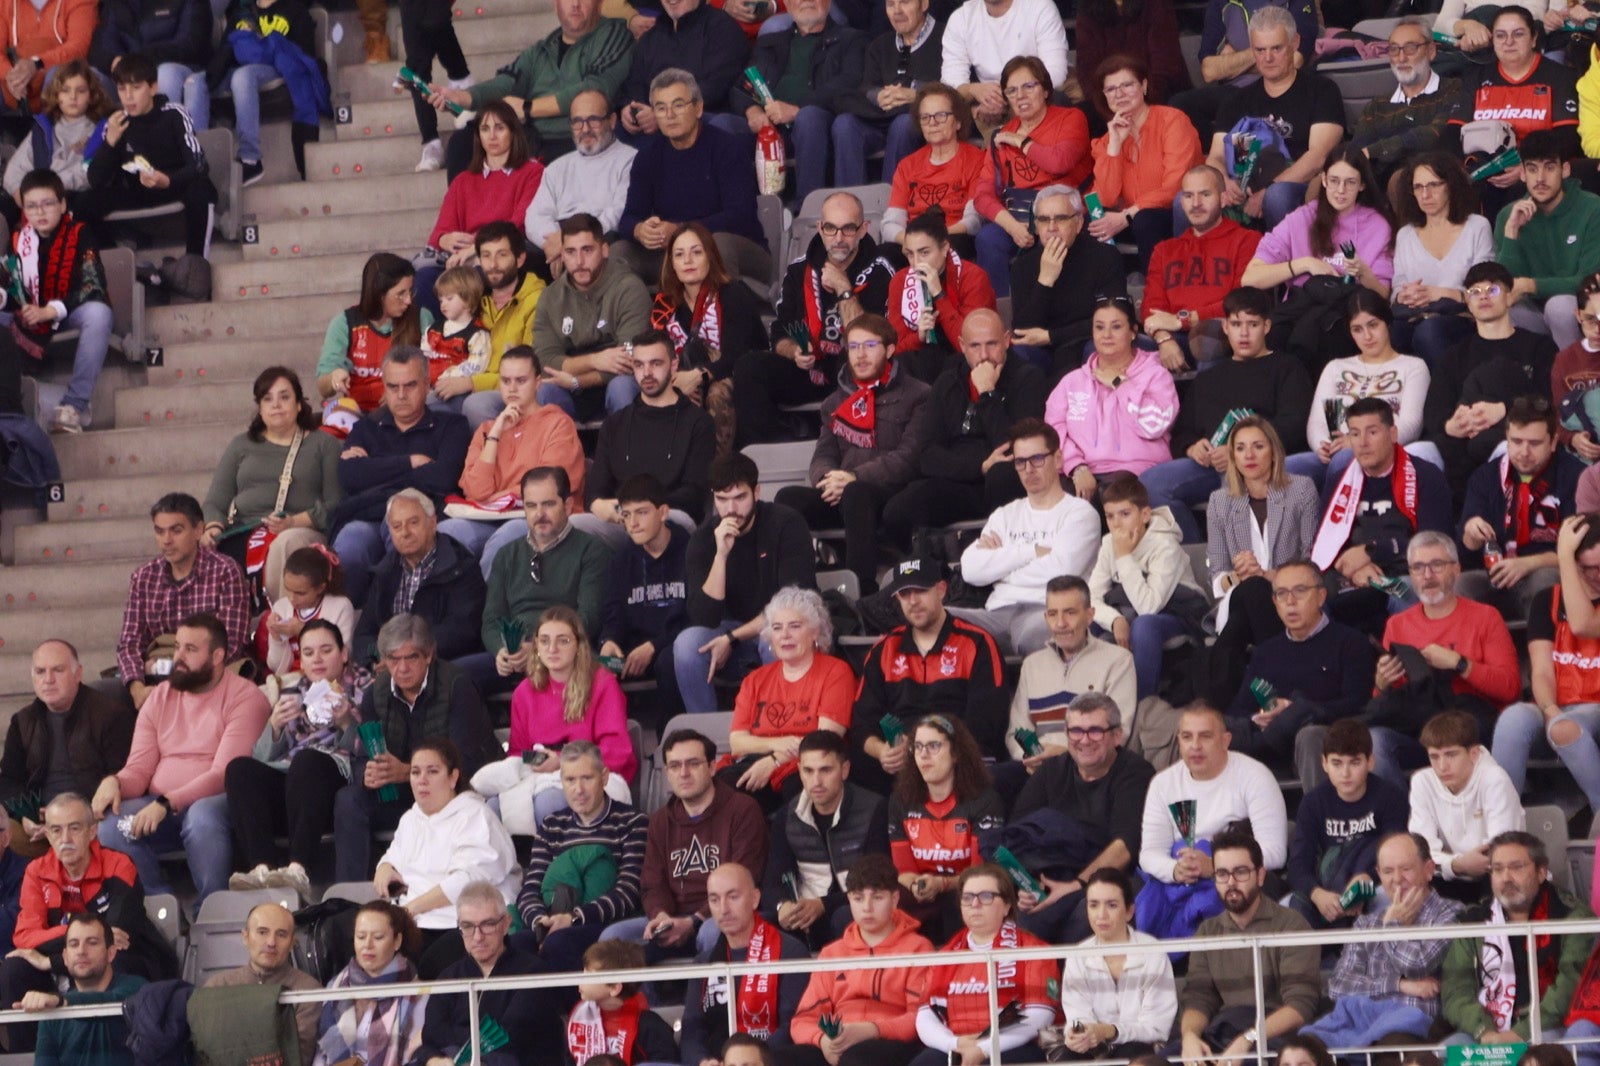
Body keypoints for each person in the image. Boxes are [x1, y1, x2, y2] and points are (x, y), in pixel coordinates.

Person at [92, 614, 269, 905]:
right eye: (177, 647)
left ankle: (213, 907)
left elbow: (224, 774)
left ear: (217, 656)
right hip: (163, 808)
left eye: (190, 649)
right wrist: (115, 783)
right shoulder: (160, 696)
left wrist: (166, 802)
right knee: (111, 824)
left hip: (219, 801)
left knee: (202, 817)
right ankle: (160, 906)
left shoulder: (245, 698)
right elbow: (139, 769)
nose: (178, 657)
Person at [0, 792, 174, 1050]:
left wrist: (50, 959)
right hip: (73, 964)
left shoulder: (119, 864)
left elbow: (109, 942)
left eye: (74, 828)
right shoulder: (36, 872)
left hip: (129, 960)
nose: (65, 839)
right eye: (56, 831)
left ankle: (121, 1053)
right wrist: (78, 941)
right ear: (46, 835)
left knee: (113, 959)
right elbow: (25, 937)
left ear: (92, 831)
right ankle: (29, 1056)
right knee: (14, 968)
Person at [333, 614, 500, 883]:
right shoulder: (376, 694)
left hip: (455, 793)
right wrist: (369, 772)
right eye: (393, 659)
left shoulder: (458, 685)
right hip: (402, 793)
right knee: (349, 799)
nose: (401, 669)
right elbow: (362, 756)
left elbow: (468, 760)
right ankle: (350, 897)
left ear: (429, 655)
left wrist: (409, 772)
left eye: (410, 658)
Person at [1142, 286, 1312, 542]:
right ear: (1225, 328)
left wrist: (1238, 451)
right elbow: (1182, 433)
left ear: (1266, 326)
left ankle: (1239, 567)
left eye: (1252, 324)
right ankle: (1198, 555)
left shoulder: (1288, 368)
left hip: (1262, 465)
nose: (1243, 333)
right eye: (1236, 324)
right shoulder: (1208, 379)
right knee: (1151, 483)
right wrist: (1192, 447)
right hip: (1211, 465)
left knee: (1231, 487)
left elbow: (1294, 426)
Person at [776, 315, 931, 590]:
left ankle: (864, 590)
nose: (860, 355)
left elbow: (908, 459)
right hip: (843, 493)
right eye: (853, 347)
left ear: (890, 349)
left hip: (891, 495)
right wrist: (828, 479)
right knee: (787, 498)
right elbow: (822, 456)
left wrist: (852, 477)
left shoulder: (918, 394)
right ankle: (799, 591)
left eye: (870, 345)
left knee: (857, 492)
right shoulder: (834, 402)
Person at [732, 192, 899, 446]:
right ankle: (770, 449)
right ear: (820, 228)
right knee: (749, 367)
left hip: (855, 369)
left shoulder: (880, 270)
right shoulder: (800, 270)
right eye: (831, 228)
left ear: (864, 230)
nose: (839, 238)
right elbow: (779, 333)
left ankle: (843, 442)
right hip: (810, 370)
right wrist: (794, 351)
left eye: (848, 229)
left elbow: (873, 340)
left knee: (853, 357)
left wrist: (844, 289)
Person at [225, 619, 369, 897]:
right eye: (308, 652)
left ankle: (298, 868)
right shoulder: (293, 691)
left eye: (326, 650)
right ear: (300, 660)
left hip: (335, 777)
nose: (317, 659)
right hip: (294, 782)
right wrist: (275, 726)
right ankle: (262, 869)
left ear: (344, 654)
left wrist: (345, 722)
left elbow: (370, 747)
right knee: (239, 769)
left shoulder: (365, 684)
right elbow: (263, 756)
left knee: (308, 761)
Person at [598, 729, 767, 962]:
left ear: (712, 767)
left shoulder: (742, 810)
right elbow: (652, 883)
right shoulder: (660, 820)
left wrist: (695, 919)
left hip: (720, 916)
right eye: (675, 766)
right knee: (612, 938)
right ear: (667, 772)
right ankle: (646, 1001)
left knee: (713, 932)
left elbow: (745, 877)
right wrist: (661, 916)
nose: (684, 773)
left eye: (693, 764)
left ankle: (715, 998)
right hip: (674, 918)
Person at [880, 309, 1044, 545]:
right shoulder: (947, 381)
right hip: (959, 482)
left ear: (1007, 341)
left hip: (1005, 484)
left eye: (992, 344)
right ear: (962, 346)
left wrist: (987, 393)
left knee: (1003, 474)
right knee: (898, 510)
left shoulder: (1027, 378)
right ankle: (933, 574)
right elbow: (926, 455)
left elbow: (1016, 449)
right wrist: (980, 466)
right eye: (975, 346)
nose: (984, 355)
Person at [1369, 537, 1521, 783]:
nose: (1427, 575)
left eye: (1437, 565)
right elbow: (1386, 705)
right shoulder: (1397, 624)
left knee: (1452, 733)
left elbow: (1510, 689)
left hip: (1471, 729)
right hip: (1420, 728)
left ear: (1456, 569)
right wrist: (1381, 683)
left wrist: (1459, 663)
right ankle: (1402, 820)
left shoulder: (1485, 617)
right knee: (1375, 742)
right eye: (1418, 568)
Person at [328, 347, 471, 605]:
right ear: (383, 387)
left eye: (410, 385)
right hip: (367, 517)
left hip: (423, 518)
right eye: (393, 387)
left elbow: (443, 477)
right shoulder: (366, 428)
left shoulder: (452, 426)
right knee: (350, 545)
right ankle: (359, 626)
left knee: (402, 524)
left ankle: (403, 617)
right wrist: (410, 462)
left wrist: (374, 469)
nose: (401, 395)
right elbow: (349, 476)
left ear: (427, 385)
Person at [852, 557, 1009, 792]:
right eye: (905, 595)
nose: (913, 601)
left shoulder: (977, 643)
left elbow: (987, 724)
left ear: (941, 590)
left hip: (959, 757)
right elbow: (863, 721)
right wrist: (882, 751)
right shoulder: (884, 649)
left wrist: (928, 750)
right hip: (900, 764)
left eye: (921, 591)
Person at [675, 454, 816, 711]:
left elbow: (792, 606)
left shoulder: (786, 523)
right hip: (728, 631)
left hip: (777, 626)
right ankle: (706, 737)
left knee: (776, 638)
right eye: (722, 499)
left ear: (757, 492)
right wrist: (721, 555)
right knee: (686, 645)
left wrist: (732, 638)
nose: (731, 509)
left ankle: (783, 721)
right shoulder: (704, 538)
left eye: (740, 498)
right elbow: (704, 617)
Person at [369, 738, 520, 978]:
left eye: (433, 771)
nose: (422, 780)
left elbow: (466, 882)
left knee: (426, 964)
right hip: (415, 923)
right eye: (416, 772)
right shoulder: (411, 819)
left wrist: (409, 911)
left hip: (463, 927)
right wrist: (384, 867)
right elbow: (393, 855)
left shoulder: (475, 815)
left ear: (453, 777)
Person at [950, 419, 1102, 657]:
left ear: (1058, 459)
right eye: (1020, 462)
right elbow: (970, 569)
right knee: (935, 622)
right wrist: (1031, 552)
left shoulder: (1080, 514)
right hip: (995, 612)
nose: (1029, 470)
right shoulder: (1005, 514)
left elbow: (1061, 573)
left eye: (1037, 459)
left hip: (1047, 612)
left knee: (1034, 636)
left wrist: (999, 566)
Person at [1010, 692, 1154, 943]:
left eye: (1095, 731)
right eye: (1076, 731)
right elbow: (1017, 835)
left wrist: (1076, 885)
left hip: (1111, 879)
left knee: (1086, 917)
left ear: (1116, 735)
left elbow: (1125, 845)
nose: (1084, 740)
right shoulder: (1051, 771)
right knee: (1026, 923)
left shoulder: (1136, 772)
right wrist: (1028, 884)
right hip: (1053, 877)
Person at [1135, 704, 1288, 941]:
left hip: (1232, 880)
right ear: (1179, 741)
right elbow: (1149, 853)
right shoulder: (1163, 783)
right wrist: (1176, 870)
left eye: (1205, 736)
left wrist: (1217, 868)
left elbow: (1275, 853)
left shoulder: (1255, 776)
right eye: (1187, 737)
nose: (1195, 746)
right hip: (1181, 881)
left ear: (1226, 740)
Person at [1439, 832, 1598, 1056]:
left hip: (1547, 1028)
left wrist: (1519, 1034)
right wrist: (1484, 1030)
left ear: (1541, 872)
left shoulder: (1571, 917)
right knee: (1444, 1053)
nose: (1506, 877)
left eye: (1516, 867)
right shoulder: (1474, 920)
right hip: (1485, 1032)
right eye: (1497, 869)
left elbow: (1570, 986)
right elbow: (1455, 990)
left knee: (1543, 1056)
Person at [1301, 831, 1464, 1048]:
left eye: (1406, 869)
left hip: (1415, 1023)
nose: (1397, 879)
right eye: (1388, 871)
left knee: (1389, 1047)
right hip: (1361, 1020)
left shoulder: (1451, 914)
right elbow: (1339, 986)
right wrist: (1400, 985)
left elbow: (1416, 965)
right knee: (1305, 1048)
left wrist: (1392, 926)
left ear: (1428, 870)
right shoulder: (1366, 923)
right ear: (1378, 873)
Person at [1201, 417, 1322, 707]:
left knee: (1231, 641)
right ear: (1232, 457)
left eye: (1258, 446)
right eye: (1241, 449)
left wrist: (1271, 577)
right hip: (1239, 595)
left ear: (1274, 451)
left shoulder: (1301, 490)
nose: (1249, 455)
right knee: (1251, 589)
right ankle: (1286, 677)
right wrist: (1239, 577)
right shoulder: (1220, 502)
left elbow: (1312, 557)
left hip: (1290, 594)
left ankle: (1220, 708)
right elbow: (1217, 574)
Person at [426, 0, 635, 168]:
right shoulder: (541, 50)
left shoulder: (614, 34)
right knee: (462, 144)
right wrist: (461, 97)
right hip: (531, 139)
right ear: (555, 5)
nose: (576, 4)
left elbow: (594, 88)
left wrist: (528, 108)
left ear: (600, 3)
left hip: (576, 137)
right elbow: (506, 83)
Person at [1241, 146, 1396, 368]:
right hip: (1299, 308)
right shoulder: (1302, 217)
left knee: (1321, 337)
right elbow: (1250, 278)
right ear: (1323, 180)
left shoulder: (1377, 225)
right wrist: (1304, 264)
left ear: (1362, 185)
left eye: (1350, 182)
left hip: (1345, 314)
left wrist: (1364, 272)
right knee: (1271, 336)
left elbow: (1382, 296)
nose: (1340, 190)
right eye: (1334, 180)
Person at [1174, 827, 1320, 1060]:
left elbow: (1300, 1006)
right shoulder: (1208, 931)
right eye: (1221, 874)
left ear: (1261, 875)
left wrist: (1248, 1039)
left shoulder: (1292, 924)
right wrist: (1190, 1036)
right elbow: (1199, 998)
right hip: (1223, 1033)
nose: (1231, 882)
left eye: (1240, 872)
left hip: (1276, 1037)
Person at [1312, 398, 1452, 639]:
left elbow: (1437, 544)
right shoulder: (1339, 480)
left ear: (1393, 433)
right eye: (1355, 434)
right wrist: (1356, 567)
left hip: (1404, 573)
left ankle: (1423, 671)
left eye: (1372, 432)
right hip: (1351, 575)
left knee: (1403, 594)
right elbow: (1324, 542)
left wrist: (1373, 551)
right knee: (1309, 598)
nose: (1363, 443)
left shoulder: (1426, 476)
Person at [202, 366, 343, 602]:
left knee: (285, 543)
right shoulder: (241, 445)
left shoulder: (324, 445)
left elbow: (336, 504)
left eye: (284, 397)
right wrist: (213, 528)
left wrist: (292, 522)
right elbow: (215, 501)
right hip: (244, 530)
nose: (276, 405)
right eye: (268, 399)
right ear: (260, 408)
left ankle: (278, 622)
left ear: (299, 404)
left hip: (301, 532)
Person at [1226, 563, 1376, 785]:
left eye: (1300, 591)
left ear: (1321, 596)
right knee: (1209, 729)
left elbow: (1358, 703)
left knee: (1310, 736)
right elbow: (1240, 708)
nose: (1290, 601)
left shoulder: (1351, 642)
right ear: (1274, 603)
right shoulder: (1266, 652)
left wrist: (1294, 710)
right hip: (1270, 740)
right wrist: (1261, 716)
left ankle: (1321, 815)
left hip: (1323, 739)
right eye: (1282, 594)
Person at [616, 69, 768, 285]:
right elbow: (629, 218)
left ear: (698, 108)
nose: (669, 115)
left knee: (717, 245)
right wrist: (640, 230)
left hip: (737, 248)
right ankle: (637, 318)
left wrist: (680, 231)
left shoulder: (727, 148)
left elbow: (740, 217)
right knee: (620, 252)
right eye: (660, 108)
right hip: (675, 252)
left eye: (678, 105)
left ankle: (719, 317)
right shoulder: (647, 158)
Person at [435, 346, 587, 561]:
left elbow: (551, 486)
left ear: (537, 383)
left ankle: (488, 596)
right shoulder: (488, 429)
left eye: (521, 381)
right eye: (506, 381)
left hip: (538, 519)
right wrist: (496, 434)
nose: (512, 388)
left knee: (504, 541)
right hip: (489, 519)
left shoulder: (558, 423)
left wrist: (498, 498)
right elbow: (476, 491)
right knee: (446, 534)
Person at [782, 852, 933, 1066]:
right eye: (858, 898)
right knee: (780, 1059)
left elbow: (921, 1018)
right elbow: (803, 1019)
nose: (867, 907)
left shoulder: (918, 948)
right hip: (838, 1042)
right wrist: (823, 1041)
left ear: (895, 899)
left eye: (877, 897)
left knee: (858, 1058)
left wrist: (871, 1030)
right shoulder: (832, 953)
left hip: (891, 1042)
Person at [1425, 261, 1559, 501]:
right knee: (1416, 453)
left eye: (1493, 290)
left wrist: (1505, 410)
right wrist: (1451, 425)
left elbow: (1549, 400)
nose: (1483, 297)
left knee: (1505, 451)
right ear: (1467, 302)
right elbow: (1435, 412)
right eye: (1474, 292)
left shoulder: (1540, 347)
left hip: (1516, 442)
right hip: (1460, 448)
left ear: (1509, 297)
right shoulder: (1453, 356)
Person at [1205, 5, 1344, 233]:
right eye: (1259, 50)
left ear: (1295, 42)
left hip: (1298, 188)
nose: (1267, 58)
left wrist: (1268, 190)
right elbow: (1215, 157)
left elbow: (1318, 157)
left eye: (1276, 48)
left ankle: (1288, 266)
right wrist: (1225, 184)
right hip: (1243, 188)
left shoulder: (1322, 90)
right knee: (1190, 199)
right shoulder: (1237, 100)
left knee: (1277, 196)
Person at [1494, 514, 1600, 808]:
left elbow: (1582, 624)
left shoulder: (1578, 601)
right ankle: (1505, 822)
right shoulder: (1547, 600)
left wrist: (1564, 557)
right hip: (1561, 705)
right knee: (1513, 719)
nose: (1597, 574)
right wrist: (1550, 709)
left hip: (1596, 707)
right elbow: (1540, 670)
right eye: (1588, 568)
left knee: (1567, 725)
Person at [717, 590, 853, 815]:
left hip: (809, 765)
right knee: (729, 786)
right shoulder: (755, 679)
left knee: (799, 788)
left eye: (795, 626)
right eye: (777, 628)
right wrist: (779, 744)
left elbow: (825, 740)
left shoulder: (836, 672)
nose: (785, 635)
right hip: (758, 761)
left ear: (815, 632)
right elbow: (738, 742)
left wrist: (774, 761)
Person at [516, 742, 649, 972]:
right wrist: (540, 922)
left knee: (560, 943)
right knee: (515, 945)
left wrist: (574, 918)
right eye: (570, 780)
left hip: (606, 925)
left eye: (587, 778)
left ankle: (573, 1006)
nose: (579, 789)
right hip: (552, 922)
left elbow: (629, 892)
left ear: (604, 777)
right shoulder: (552, 825)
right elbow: (530, 889)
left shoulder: (632, 822)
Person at [477, 468, 611, 696]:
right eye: (531, 506)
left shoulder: (591, 550)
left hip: (567, 653)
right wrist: (501, 651)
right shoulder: (507, 555)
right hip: (516, 656)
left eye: (548, 504)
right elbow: (491, 620)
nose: (539, 514)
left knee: (594, 670)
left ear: (568, 506)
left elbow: (589, 618)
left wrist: (541, 648)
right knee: (458, 678)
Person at [911, 864, 1059, 1066]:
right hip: (956, 1044)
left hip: (1013, 1046)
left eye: (986, 896)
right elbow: (924, 1017)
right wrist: (955, 1043)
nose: (975, 904)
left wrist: (984, 1049)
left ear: (1007, 905)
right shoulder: (945, 955)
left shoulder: (1034, 951)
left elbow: (1040, 1015)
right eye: (968, 897)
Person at [118, 493, 253, 708]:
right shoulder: (143, 577)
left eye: (176, 530)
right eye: (159, 531)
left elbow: (231, 643)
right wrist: (137, 689)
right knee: (106, 696)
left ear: (199, 530)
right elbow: (129, 643)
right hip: (156, 675)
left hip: (210, 673)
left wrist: (178, 673)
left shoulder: (225, 571)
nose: (166, 540)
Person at [1446, 7, 1581, 221]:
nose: (1508, 42)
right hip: (1485, 173)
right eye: (1501, 35)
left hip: (1537, 171)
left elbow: (1568, 137)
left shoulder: (1559, 76)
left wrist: (1526, 167)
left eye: (1518, 34)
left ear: (1534, 38)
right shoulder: (1477, 78)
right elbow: (1453, 132)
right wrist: (1470, 169)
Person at [0, 640, 132, 859]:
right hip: (40, 825)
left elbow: (122, 774)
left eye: (58, 670)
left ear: (77, 673)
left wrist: (68, 820)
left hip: (92, 820)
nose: (48, 679)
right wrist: (28, 815)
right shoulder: (23, 722)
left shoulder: (111, 715)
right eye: (40, 671)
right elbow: (8, 781)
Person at [505, 605, 636, 826]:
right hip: (540, 776)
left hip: (594, 776)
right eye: (545, 641)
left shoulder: (603, 684)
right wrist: (539, 760)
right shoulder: (524, 692)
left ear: (578, 645)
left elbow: (617, 751)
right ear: (536, 646)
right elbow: (519, 752)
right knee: (492, 806)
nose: (552, 649)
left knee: (548, 803)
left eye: (563, 640)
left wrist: (562, 763)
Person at [581, 332, 715, 544]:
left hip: (670, 517)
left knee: (676, 519)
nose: (647, 373)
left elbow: (694, 495)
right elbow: (595, 493)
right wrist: (624, 512)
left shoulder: (699, 423)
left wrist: (641, 511)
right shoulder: (615, 424)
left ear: (673, 365)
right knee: (577, 526)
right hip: (621, 522)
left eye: (656, 364)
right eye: (639, 365)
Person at [973, 58, 1092, 298]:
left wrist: (1021, 141)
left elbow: (1059, 162)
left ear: (1045, 90)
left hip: (1070, 210)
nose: (1021, 96)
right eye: (1012, 90)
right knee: (988, 238)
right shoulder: (1000, 136)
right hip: (1021, 217)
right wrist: (1012, 226)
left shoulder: (1071, 118)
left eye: (1029, 86)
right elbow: (982, 195)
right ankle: (1004, 313)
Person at [6, 169, 112, 434]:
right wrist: (11, 301)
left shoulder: (80, 232)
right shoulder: (20, 240)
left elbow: (93, 285)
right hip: (31, 318)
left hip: (70, 312)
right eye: (32, 206)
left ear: (63, 204)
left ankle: (74, 406)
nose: (40, 213)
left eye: (47, 204)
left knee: (99, 313)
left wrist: (50, 311)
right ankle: (10, 399)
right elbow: (11, 286)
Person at [410, 880, 561, 1066]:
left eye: (488, 924)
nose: (478, 936)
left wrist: (451, 1039)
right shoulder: (449, 976)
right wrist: (433, 1059)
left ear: (506, 924)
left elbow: (507, 1037)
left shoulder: (533, 972)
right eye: (467, 926)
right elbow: (432, 1035)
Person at [78, 53, 215, 258]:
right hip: (138, 191)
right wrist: (110, 142)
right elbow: (96, 180)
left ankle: (195, 264)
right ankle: (114, 259)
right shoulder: (116, 123)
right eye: (122, 89)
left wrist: (167, 180)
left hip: (175, 184)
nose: (128, 96)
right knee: (83, 202)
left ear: (152, 88)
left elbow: (199, 165)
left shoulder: (174, 113)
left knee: (201, 189)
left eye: (136, 88)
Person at [645, 226, 767, 455]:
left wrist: (697, 376)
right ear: (672, 263)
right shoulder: (665, 305)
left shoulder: (733, 293)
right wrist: (678, 379)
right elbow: (656, 354)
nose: (688, 261)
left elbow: (736, 356)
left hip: (739, 377)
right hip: (687, 376)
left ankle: (719, 472)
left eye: (696, 252)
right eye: (679, 255)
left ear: (710, 256)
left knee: (716, 394)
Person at [762, 732, 889, 950]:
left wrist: (822, 905)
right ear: (799, 770)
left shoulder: (874, 809)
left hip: (854, 908)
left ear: (845, 770)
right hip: (806, 915)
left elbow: (880, 879)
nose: (816, 781)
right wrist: (783, 907)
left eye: (826, 770)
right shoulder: (787, 816)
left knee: (844, 916)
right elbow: (774, 877)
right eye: (808, 771)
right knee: (761, 924)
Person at [1458, 396, 1581, 620]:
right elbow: (1465, 551)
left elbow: (1581, 553)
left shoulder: (1575, 476)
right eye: (1516, 442)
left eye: (1534, 444)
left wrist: (1528, 564)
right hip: (1494, 575)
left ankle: (1543, 653)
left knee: (1545, 581)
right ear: (1506, 437)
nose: (1524, 451)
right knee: (1459, 585)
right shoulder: (1486, 477)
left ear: (1553, 442)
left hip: (1547, 572)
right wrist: (1471, 532)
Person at [730, 0, 865, 203]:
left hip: (818, 127)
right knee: (721, 125)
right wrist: (752, 112)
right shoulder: (770, 43)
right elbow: (742, 86)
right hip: (769, 129)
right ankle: (740, 212)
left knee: (808, 116)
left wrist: (797, 109)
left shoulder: (851, 39)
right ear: (786, 3)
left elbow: (849, 82)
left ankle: (807, 208)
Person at [1087, 475, 1208, 700]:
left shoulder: (1165, 546)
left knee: (1144, 625)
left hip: (1178, 615)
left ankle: (1142, 705)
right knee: (1085, 622)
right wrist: (1115, 620)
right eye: (1110, 516)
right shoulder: (1107, 544)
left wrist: (1123, 556)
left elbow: (1148, 606)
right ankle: (1091, 706)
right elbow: (1091, 598)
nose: (1117, 524)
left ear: (1144, 514)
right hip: (1129, 612)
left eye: (1125, 514)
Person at [1042, 298, 1179, 496]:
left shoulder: (1156, 375)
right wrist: (1076, 466)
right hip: (1085, 470)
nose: (1106, 335)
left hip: (1139, 470)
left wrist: (1119, 384)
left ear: (1133, 332)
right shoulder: (1071, 382)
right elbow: (1054, 431)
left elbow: (1154, 426)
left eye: (1116, 327)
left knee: (1110, 494)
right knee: (1060, 501)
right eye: (1099, 327)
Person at [1304, 290, 1435, 495]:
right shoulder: (1336, 368)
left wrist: (1356, 443)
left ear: (1387, 323)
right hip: (1335, 451)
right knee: (1290, 468)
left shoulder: (1413, 367)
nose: (1367, 336)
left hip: (1386, 452)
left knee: (1343, 460)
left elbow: (1411, 425)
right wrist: (1324, 444)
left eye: (1373, 325)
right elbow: (1319, 420)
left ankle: (1332, 525)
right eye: (1357, 329)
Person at [886, 715, 1004, 942]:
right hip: (922, 893)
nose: (923, 754)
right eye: (917, 747)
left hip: (969, 892)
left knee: (961, 903)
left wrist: (942, 884)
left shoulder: (984, 801)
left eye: (933, 746)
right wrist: (918, 885)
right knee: (890, 903)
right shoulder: (901, 800)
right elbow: (904, 871)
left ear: (956, 753)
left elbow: (983, 873)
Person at [681, 862, 812, 1063]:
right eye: (714, 900)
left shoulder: (790, 952)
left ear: (755, 899)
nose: (723, 909)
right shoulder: (703, 962)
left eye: (733, 897)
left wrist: (747, 1060)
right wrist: (702, 1061)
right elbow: (692, 1029)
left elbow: (794, 1024)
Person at [1285, 719, 1409, 926]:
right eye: (1337, 763)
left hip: (1376, 882)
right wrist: (1318, 894)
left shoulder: (1389, 796)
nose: (1345, 773)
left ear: (1371, 762)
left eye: (1355, 763)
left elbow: (1398, 852)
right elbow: (1298, 864)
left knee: (1392, 897)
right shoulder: (1313, 802)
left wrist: (1367, 879)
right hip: (1326, 887)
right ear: (1324, 763)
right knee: (1288, 908)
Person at [1087, 55, 1203, 272]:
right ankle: (1110, 294)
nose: (1119, 94)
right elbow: (1104, 198)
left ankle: (1157, 290)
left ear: (1144, 86)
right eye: (1111, 89)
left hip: (1175, 213)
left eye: (1127, 85)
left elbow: (1176, 186)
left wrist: (1129, 214)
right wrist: (1114, 146)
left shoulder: (1172, 121)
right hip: (1130, 218)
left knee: (1145, 219)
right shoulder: (1107, 139)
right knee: (1088, 222)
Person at [418, 102, 544, 301]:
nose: (492, 136)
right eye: (485, 129)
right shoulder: (463, 180)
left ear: (513, 132)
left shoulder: (532, 172)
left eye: (499, 128)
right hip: (461, 258)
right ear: (478, 136)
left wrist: (476, 248)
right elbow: (439, 234)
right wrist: (446, 239)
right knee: (423, 279)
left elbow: (518, 224)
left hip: (500, 255)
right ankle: (436, 333)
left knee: (476, 276)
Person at [532, 213, 653, 421]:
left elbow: (629, 361)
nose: (579, 261)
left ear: (604, 250)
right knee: (543, 390)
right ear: (562, 254)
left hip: (617, 381)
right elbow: (545, 362)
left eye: (587, 250)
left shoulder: (629, 288)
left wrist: (577, 381)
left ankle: (625, 451)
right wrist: (596, 360)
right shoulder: (550, 296)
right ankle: (561, 453)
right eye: (570, 252)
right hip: (570, 388)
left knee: (622, 386)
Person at [1005, 580, 1137, 768]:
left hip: (1091, 770)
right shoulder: (1032, 665)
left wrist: (1063, 755)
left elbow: (1118, 732)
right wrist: (1036, 756)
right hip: (1037, 769)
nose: (1060, 623)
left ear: (1090, 615)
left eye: (1070, 612)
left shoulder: (1118, 661)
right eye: (1053, 614)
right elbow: (1018, 731)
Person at [1142, 164, 1262, 370]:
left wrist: (1184, 321)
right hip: (1173, 337)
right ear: (1181, 202)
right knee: (1114, 346)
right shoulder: (1165, 250)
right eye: (1188, 196)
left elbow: (1240, 302)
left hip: (1219, 334)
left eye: (1205, 194)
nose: (1196, 203)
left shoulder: (1246, 240)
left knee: (1208, 343)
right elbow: (1151, 308)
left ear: (1223, 199)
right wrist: (1163, 340)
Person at [1492, 129, 1600, 351]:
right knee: (1503, 307)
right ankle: (1530, 376)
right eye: (1532, 169)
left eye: (1549, 167)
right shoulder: (1508, 216)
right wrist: (1512, 232)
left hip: (1581, 312)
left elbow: (1590, 282)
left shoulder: (1592, 208)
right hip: (1533, 314)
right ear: (1522, 173)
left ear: (1565, 170)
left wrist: (1531, 285)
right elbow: (1506, 287)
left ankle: (1578, 375)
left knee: (1559, 306)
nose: (1540, 178)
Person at [352, 489, 487, 663]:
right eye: (397, 526)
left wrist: (409, 658)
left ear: (433, 523)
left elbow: (462, 632)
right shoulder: (385, 570)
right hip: (389, 668)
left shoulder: (461, 566)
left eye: (413, 523)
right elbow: (365, 634)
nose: (405, 532)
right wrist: (378, 659)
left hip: (440, 665)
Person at [1057, 869, 1178, 1061]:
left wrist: (1110, 1031)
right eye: (1094, 905)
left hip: (1142, 1047)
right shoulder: (1078, 955)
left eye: (1111, 905)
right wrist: (1078, 1033)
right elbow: (1078, 1015)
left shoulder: (1153, 952)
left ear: (1129, 911)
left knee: (1131, 1053)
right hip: (1096, 1046)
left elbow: (1156, 1028)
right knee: (1070, 1058)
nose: (1101, 915)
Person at [1389, 152, 1493, 368]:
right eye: (1418, 187)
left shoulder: (1477, 226)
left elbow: (1487, 288)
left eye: (1434, 185)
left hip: (1464, 317)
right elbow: (1398, 285)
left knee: (1429, 332)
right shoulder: (1406, 235)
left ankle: (1449, 395)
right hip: (1415, 315)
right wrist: (1405, 295)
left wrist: (1443, 293)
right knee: (1390, 332)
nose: (1425, 194)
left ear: (1450, 186)